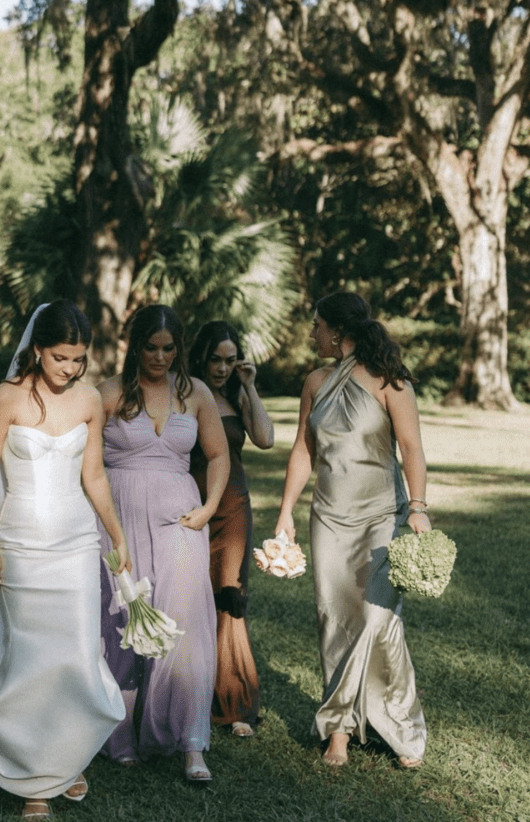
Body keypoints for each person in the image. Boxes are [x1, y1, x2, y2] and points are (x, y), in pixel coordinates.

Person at [0, 300, 129, 821]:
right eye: (61, 358)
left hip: (76, 543)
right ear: (37, 349)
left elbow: (94, 475)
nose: (71, 369)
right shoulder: (5, 398)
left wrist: (116, 539)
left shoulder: (87, 401)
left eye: (78, 359)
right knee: (31, 657)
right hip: (21, 544)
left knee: (77, 651)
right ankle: (34, 776)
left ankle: (67, 754)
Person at [275, 292, 429, 769]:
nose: (312, 333)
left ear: (337, 332)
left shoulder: (390, 381)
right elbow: (304, 450)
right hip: (328, 517)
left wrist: (419, 508)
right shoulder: (315, 382)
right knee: (334, 618)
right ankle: (338, 730)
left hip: (382, 516)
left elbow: (411, 447)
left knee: (378, 622)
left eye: (317, 325)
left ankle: (400, 724)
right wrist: (285, 514)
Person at [98, 304, 230, 781]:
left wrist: (211, 506)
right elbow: (88, 464)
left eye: (169, 348)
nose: (160, 357)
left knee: (184, 623)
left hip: (182, 518)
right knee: (120, 620)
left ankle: (191, 742)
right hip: (120, 515)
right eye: (151, 348)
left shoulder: (195, 393)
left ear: (179, 348)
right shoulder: (110, 393)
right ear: (135, 346)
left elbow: (217, 455)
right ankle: (118, 736)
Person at [189, 320, 274, 737]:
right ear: (200, 358)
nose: (221, 369)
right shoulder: (184, 395)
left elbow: (265, 438)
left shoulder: (236, 395)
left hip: (233, 508)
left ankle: (235, 702)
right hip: (189, 506)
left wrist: (250, 386)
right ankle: (189, 694)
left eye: (229, 361)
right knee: (188, 595)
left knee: (230, 598)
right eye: (214, 360)